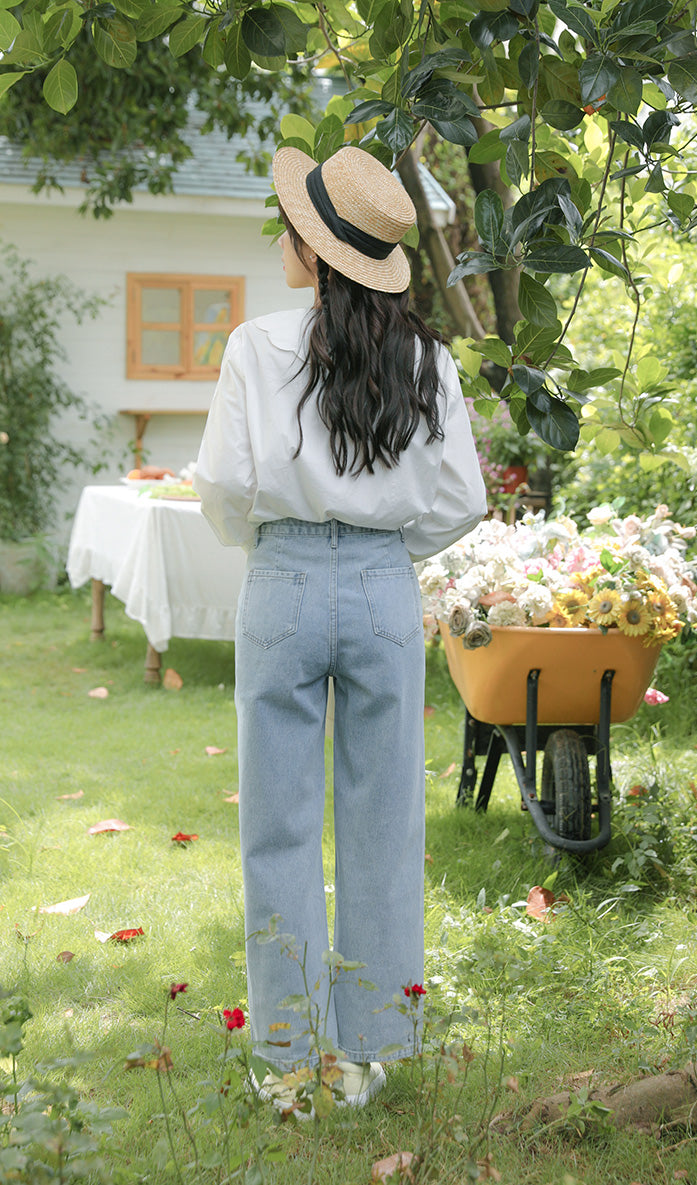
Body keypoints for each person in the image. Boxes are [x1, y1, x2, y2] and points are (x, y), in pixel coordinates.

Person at [194, 145, 487, 1110]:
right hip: (379, 590)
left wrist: (272, 546)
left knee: (277, 826)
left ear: (321, 255)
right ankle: (365, 1048)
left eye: (299, 226)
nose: (287, 235)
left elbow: (226, 488)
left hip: (280, 578)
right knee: (383, 819)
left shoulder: (254, 345)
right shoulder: (428, 360)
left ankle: (288, 1057)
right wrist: (384, 552)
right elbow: (462, 501)